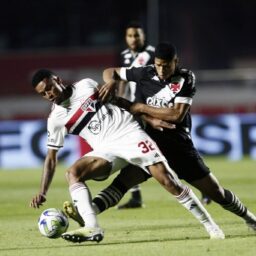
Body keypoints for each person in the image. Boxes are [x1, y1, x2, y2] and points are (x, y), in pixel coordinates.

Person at [30, 69, 225, 244]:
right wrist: (43, 191)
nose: (48, 94)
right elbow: (51, 157)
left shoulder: (86, 85)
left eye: (49, 88)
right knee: (73, 173)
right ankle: (92, 227)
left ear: (57, 79)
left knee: (168, 181)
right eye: (43, 93)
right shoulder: (55, 120)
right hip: (105, 149)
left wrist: (149, 118)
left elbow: (118, 101)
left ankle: (211, 226)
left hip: (129, 134)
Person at [93, 42, 256, 232]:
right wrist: (112, 81)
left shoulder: (186, 78)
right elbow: (109, 71)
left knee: (216, 192)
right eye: (159, 64)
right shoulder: (145, 72)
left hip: (179, 146)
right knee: (122, 182)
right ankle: (86, 215)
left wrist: (140, 108)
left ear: (176, 62)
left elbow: (176, 115)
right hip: (151, 144)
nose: (162, 69)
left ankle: (249, 218)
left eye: (166, 65)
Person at [116, 21, 155, 209]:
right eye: (130, 35)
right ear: (126, 37)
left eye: (136, 35)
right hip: (133, 109)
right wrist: (120, 98)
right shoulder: (124, 55)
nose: (133, 39)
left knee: (169, 148)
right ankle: (136, 196)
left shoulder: (152, 54)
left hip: (151, 109)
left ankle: (204, 188)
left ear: (143, 36)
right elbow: (122, 78)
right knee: (129, 150)